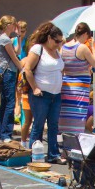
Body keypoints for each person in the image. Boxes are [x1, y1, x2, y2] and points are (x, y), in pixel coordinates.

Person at [24, 23, 66, 162]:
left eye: (61, 41)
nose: (59, 44)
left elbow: (59, 69)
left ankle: (53, 154)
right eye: (57, 41)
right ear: (49, 38)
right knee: (39, 124)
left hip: (56, 94)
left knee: (54, 125)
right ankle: (35, 155)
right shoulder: (38, 49)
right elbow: (27, 69)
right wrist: (35, 87)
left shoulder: (57, 52)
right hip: (41, 95)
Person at [59, 23, 95, 135]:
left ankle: (64, 142)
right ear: (86, 34)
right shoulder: (82, 48)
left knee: (66, 116)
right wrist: (92, 47)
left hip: (66, 86)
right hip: (80, 88)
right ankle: (75, 142)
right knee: (78, 117)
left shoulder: (63, 47)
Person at [0, 16, 23, 141]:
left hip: (8, 72)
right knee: (10, 103)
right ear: (8, 25)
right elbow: (14, 57)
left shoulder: (6, 38)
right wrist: (23, 68)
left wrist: (19, 37)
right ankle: (6, 133)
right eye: (13, 24)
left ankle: (2, 132)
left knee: (5, 102)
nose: (15, 26)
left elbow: (17, 51)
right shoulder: (5, 39)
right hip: (8, 72)